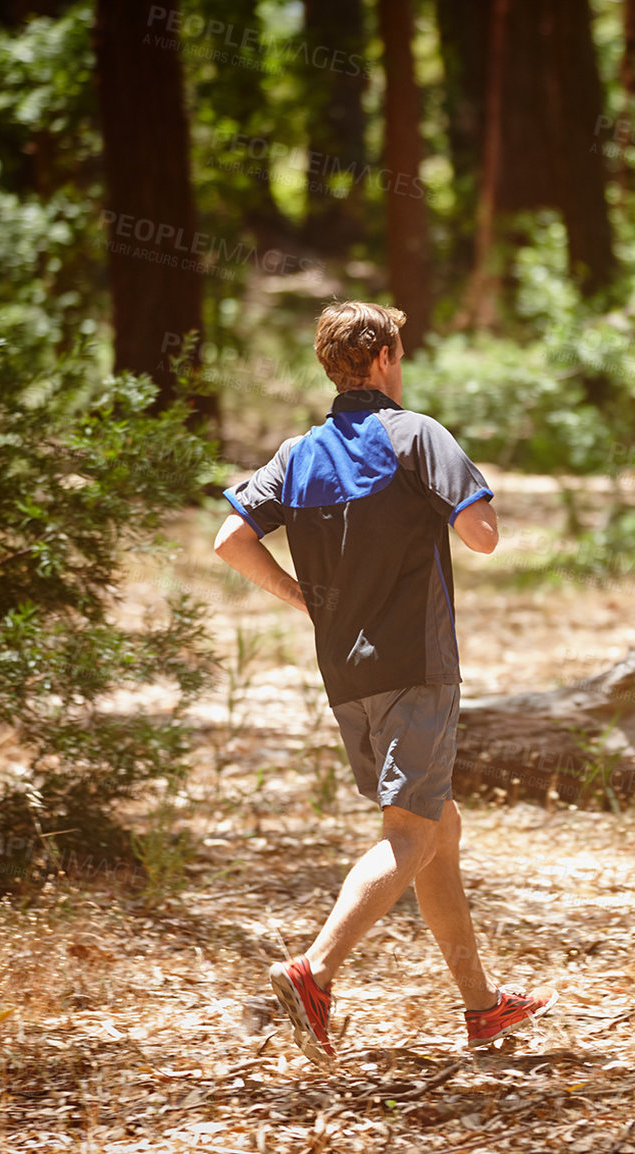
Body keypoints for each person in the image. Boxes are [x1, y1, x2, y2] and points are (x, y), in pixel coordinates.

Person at [212, 300, 556, 1065]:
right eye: (400, 352)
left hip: (346, 673)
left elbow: (229, 538)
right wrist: (473, 493)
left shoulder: (297, 453)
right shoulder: (414, 434)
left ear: (332, 363)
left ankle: (482, 1008)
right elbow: (483, 538)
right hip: (416, 664)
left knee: (439, 829)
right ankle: (314, 971)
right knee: (409, 831)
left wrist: (301, 597)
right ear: (385, 359)